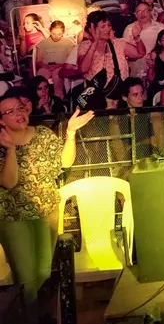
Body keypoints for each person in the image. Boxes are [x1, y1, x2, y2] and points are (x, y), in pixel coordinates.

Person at [0, 93, 94, 302]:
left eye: (20, 107)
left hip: (46, 211)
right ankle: (30, 319)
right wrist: (11, 150)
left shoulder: (42, 134)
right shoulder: (2, 144)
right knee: (25, 280)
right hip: (14, 218)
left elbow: (64, 163)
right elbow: (9, 182)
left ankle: (35, 316)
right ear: (1, 120)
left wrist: (70, 133)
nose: (19, 113)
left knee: (43, 271)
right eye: (10, 111)